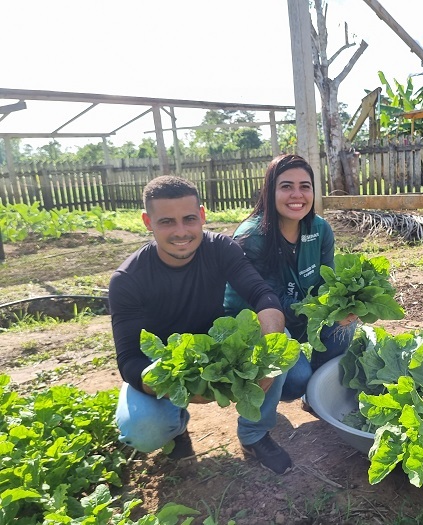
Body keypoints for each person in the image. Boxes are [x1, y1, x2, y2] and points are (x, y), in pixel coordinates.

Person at [109, 175, 294, 475]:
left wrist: (269, 349)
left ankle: (254, 433)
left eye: (190, 219)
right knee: (142, 429)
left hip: (215, 346)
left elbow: (262, 295)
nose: (181, 231)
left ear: (203, 216)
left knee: (279, 338)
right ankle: (176, 427)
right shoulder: (127, 279)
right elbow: (130, 362)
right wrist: (180, 392)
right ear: (147, 221)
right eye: (167, 221)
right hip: (166, 365)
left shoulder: (220, 248)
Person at [223, 154, 357, 404]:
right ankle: (264, 390)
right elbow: (270, 301)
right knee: (296, 381)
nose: (297, 195)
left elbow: (326, 284)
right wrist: (324, 314)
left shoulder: (320, 229)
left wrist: (342, 307)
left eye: (304, 187)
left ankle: (317, 396)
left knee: (346, 323)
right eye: (286, 186)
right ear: (269, 191)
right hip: (260, 323)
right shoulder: (252, 236)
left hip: (298, 317)